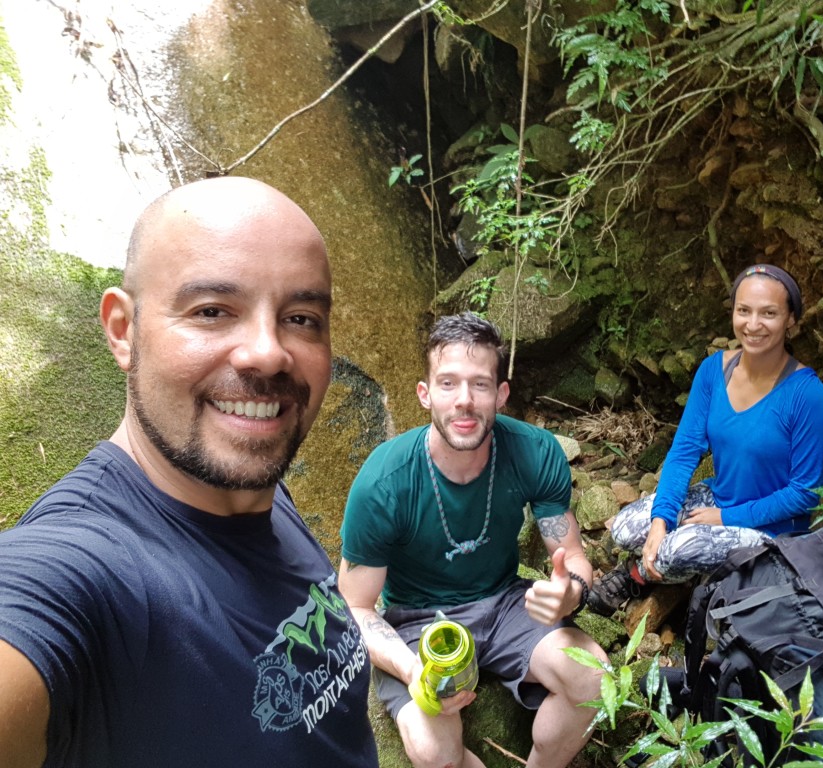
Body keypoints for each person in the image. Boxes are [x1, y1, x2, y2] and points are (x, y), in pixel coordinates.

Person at [0, 177, 379, 768]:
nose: (269, 353)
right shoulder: (81, 573)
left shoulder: (256, 487)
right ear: (123, 330)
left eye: (302, 318)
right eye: (211, 311)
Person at [338, 312, 607, 768]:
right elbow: (356, 608)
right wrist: (411, 669)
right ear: (425, 394)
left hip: (505, 604)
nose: (464, 400)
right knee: (433, 753)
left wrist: (571, 593)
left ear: (501, 394)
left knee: (593, 678)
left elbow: (575, 557)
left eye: (480, 384)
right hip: (416, 622)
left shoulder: (535, 452)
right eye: (448, 384)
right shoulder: (383, 482)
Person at [588, 264, 823, 615]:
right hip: (719, 496)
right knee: (627, 529)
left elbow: (804, 494)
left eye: (768, 313)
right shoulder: (713, 371)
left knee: (676, 550)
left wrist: (725, 517)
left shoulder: (808, 396)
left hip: (775, 529)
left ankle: (636, 576)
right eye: (744, 310)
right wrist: (661, 521)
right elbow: (684, 451)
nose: (753, 324)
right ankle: (669, 561)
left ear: (791, 319)